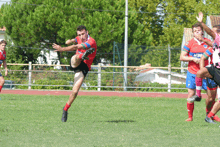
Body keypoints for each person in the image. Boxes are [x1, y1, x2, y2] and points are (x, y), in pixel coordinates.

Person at [52, 25, 97, 122]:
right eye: (79, 34)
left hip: (84, 68)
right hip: (76, 62)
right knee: (75, 57)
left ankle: (65, 109)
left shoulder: (91, 41)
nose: (81, 37)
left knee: (75, 92)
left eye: (83, 34)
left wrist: (62, 49)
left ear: (87, 32)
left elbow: (77, 46)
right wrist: (70, 41)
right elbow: (75, 41)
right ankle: (83, 56)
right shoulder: (78, 38)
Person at [188, 12, 220, 123]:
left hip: (219, 71)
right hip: (214, 69)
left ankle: (210, 116)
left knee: (218, 99)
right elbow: (210, 41)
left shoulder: (217, 39)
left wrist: (202, 24)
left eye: (215, 33)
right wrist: (202, 39)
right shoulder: (215, 43)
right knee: (200, 73)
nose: (212, 34)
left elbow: (210, 33)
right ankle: (198, 96)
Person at [180, 22, 215, 121]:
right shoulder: (189, 43)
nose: (197, 32)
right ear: (193, 33)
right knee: (191, 94)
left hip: (205, 73)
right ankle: (190, 117)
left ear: (202, 31)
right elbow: (182, 57)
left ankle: (209, 115)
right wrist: (192, 59)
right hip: (192, 72)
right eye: (195, 31)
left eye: (199, 30)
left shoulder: (208, 42)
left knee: (210, 96)